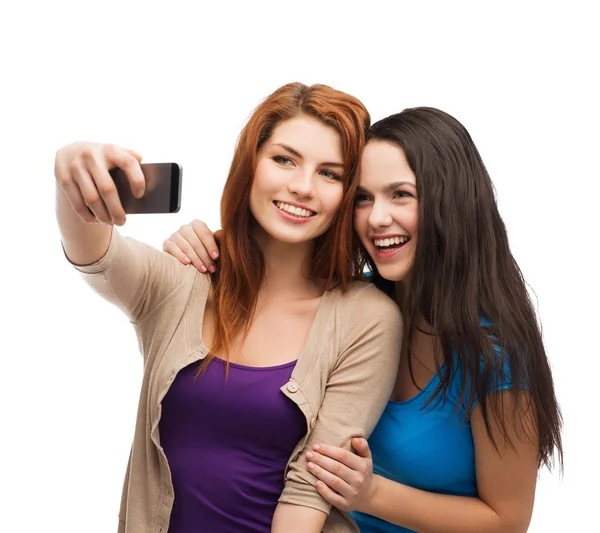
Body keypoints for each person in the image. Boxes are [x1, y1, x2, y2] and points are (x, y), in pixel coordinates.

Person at [164, 106, 563, 533]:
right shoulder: (355, 309)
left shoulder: (495, 355)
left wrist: (372, 494)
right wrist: (212, 244)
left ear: (452, 202)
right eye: (363, 198)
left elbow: (509, 521)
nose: (376, 218)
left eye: (401, 195)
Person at [54, 82, 403, 533]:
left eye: (330, 174)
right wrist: (71, 171)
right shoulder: (181, 282)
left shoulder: (366, 318)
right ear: (250, 164)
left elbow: (308, 493)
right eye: (284, 159)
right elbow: (94, 254)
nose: (302, 187)